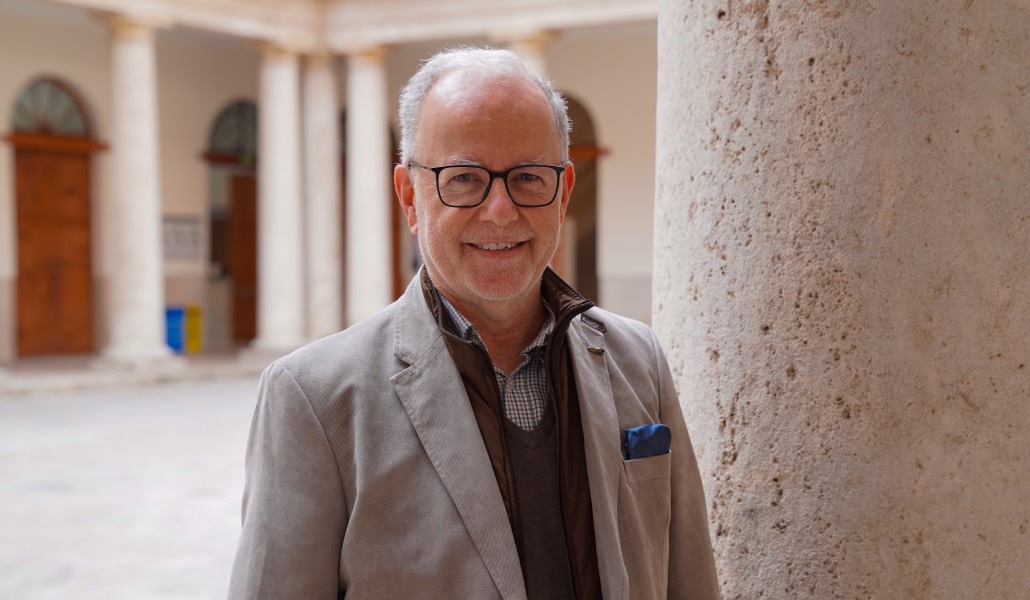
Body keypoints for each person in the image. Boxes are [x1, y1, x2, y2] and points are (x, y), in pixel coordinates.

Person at [228, 46, 720, 600]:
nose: (501, 211)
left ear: (563, 193)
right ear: (410, 196)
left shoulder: (639, 359)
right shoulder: (315, 399)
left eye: (529, 177)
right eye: (463, 178)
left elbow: (690, 580)